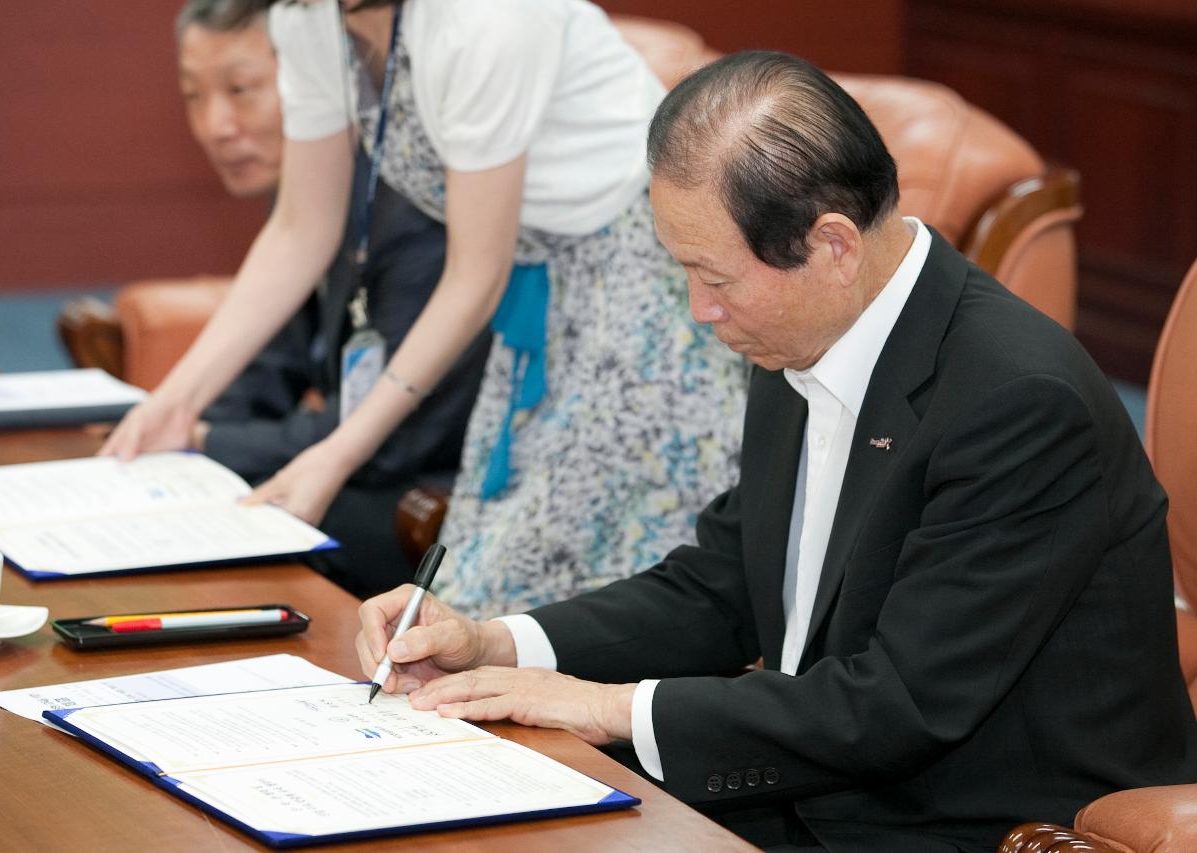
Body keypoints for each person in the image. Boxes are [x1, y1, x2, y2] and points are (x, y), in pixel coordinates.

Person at [354, 51, 1197, 853]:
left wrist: (605, 706)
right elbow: (722, 585)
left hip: (963, 823)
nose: (700, 310)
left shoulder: (1018, 403)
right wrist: (498, 644)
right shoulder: (803, 331)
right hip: (816, 792)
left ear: (831, 247)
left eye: (714, 278)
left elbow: (899, 703)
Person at [105, 0, 747, 616]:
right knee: (487, 583)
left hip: (639, 284)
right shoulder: (304, 18)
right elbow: (301, 229)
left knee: (566, 577)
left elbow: (474, 276)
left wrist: (335, 455)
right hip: (536, 290)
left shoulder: (484, 19)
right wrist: (172, 403)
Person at [170, 0, 489, 597]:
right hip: (357, 461)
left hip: (430, 483)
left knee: (240, 540)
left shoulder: (417, 197)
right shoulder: (301, 197)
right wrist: (190, 427)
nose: (216, 125)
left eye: (241, 89)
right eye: (192, 94)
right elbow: (266, 365)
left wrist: (208, 441)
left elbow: (397, 435)